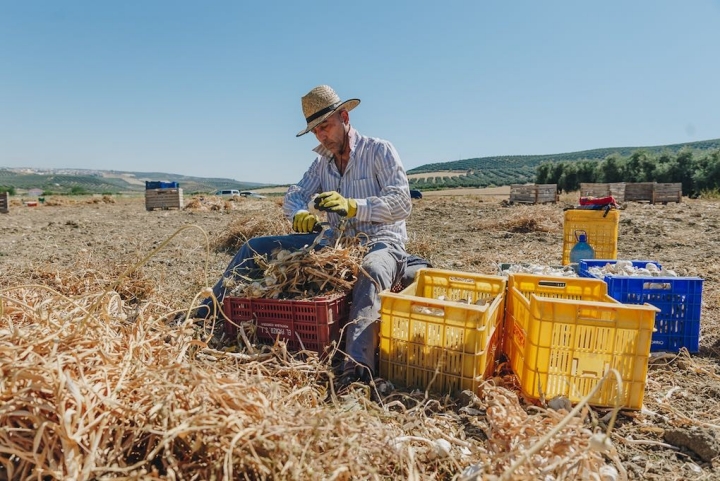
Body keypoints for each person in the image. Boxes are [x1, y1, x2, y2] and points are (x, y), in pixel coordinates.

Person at [194, 84, 423, 384]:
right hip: (335, 243)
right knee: (254, 247)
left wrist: (354, 206)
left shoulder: (379, 151)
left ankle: (356, 375)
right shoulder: (322, 163)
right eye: (315, 131)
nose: (321, 136)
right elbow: (295, 194)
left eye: (325, 127)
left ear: (344, 117)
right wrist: (298, 213)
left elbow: (401, 203)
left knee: (371, 271)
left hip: (381, 241)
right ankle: (201, 319)